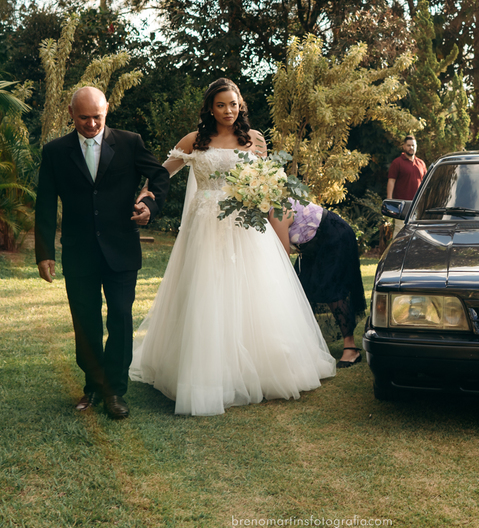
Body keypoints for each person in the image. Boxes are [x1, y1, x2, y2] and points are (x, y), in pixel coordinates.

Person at [129, 78, 336, 416]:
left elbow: (266, 183)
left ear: (241, 106)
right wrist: (144, 196)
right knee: (206, 293)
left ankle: (262, 367)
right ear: (210, 108)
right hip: (204, 228)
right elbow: (162, 173)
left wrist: (262, 198)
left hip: (246, 228)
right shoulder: (195, 141)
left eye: (234, 104)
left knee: (251, 293)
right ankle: (203, 372)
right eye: (221, 105)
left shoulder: (254, 141)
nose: (228, 111)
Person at [35, 87, 171, 419]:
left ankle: (115, 391)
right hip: (79, 251)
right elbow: (45, 203)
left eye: (98, 116)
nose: (92, 123)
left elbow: (160, 175)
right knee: (86, 323)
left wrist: (150, 205)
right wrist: (44, 252)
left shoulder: (129, 142)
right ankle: (93, 386)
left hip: (122, 249)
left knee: (121, 318)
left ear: (107, 110)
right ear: (71, 113)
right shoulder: (55, 151)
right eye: (84, 117)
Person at [269, 200, 366, 368]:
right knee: (303, 288)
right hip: (312, 246)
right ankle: (305, 344)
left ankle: (351, 348)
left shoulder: (277, 212)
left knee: (331, 288)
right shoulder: (266, 215)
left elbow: (282, 256)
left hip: (334, 236)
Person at [386, 134, 426, 234]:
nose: (411, 147)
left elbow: (425, 184)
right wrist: (390, 202)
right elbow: (391, 181)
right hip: (401, 206)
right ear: (403, 146)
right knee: (400, 233)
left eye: (413, 145)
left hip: (417, 206)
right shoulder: (397, 163)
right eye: (408, 145)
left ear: (416, 146)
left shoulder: (421, 163)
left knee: (417, 234)